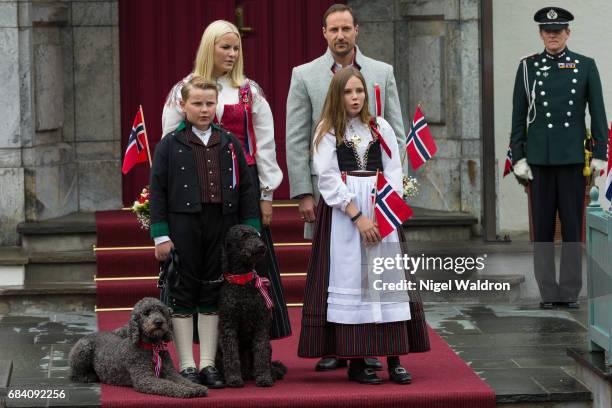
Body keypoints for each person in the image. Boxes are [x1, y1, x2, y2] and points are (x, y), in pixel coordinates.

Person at [286, 3, 414, 372]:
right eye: (333, 30)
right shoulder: (305, 75)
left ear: (356, 30)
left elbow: (397, 136)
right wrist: (304, 192)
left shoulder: (381, 72)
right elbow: (297, 139)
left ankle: (373, 346)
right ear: (324, 33)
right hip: (334, 198)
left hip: (379, 196)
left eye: (346, 28)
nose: (340, 35)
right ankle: (335, 345)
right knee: (335, 270)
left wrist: (393, 199)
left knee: (377, 271)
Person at [162, 21, 291, 340]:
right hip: (198, 199)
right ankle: (204, 352)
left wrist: (266, 195)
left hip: (241, 195)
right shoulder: (183, 90)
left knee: (244, 264)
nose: (232, 53)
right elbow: (169, 145)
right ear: (209, 48)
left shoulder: (251, 91)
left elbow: (265, 143)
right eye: (225, 47)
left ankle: (250, 348)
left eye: (236, 48)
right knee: (200, 269)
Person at [298, 67, 428, 384]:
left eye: (359, 91)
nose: (355, 98)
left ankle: (395, 358)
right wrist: (357, 216)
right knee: (352, 280)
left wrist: (386, 213)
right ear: (337, 95)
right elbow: (327, 179)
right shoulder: (327, 131)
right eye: (348, 92)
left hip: (381, 207)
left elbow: (394, 169)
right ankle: (356, 361)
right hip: (345, 216)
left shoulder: (379, 126)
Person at [150, 77, 260, 388]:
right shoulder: (169, 145)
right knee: (183, 293)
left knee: (214, 292)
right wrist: (160, 235)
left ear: (217, 106)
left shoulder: (229, 142)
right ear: (183, 106)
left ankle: (209, 365)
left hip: (221, 225)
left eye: (209, 103)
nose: (204, 109)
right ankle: (187, 366)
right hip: (183, 224)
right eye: (197, 103)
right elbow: (157, 190)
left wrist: (250, 230)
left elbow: (247, 189)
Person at [510, 7, 608, 309]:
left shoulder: (585, 66)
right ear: (541, 34)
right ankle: (548, 292)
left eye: (558, 31)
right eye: (547, 31)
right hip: (539, 161)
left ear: (568, 32)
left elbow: (599, 114)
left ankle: (569, 291)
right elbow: (518, 117)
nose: (552, 35)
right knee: (541, 228)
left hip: (571, 160)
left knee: (571, 227)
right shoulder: (528, 68)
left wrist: (600, 154)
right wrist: (519, 156)